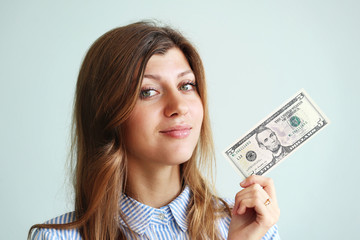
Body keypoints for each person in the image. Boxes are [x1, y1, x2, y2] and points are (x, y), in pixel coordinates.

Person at [28, 21, 280, 240]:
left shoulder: (254, 225)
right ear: (107, 113)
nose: (179, 106)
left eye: (186, 85)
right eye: (148, 92)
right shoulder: (56, 237)